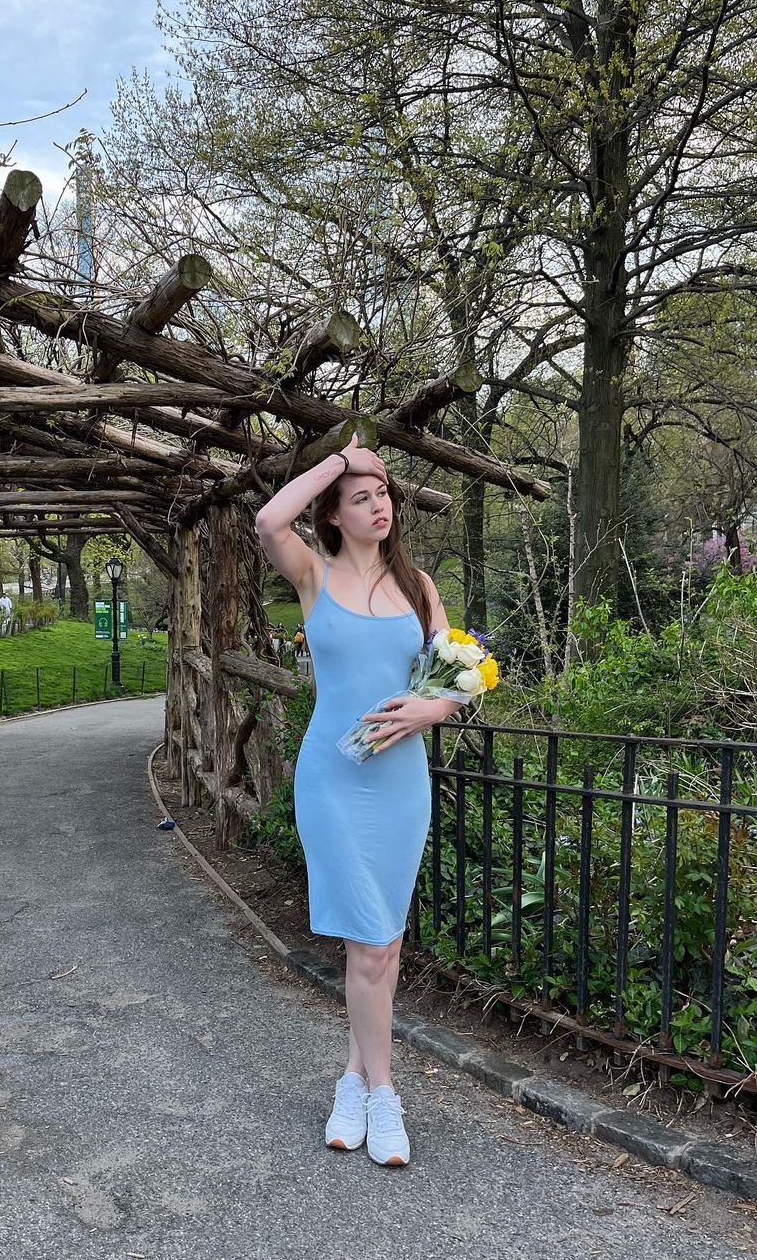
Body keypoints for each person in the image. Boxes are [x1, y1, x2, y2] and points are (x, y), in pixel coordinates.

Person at [254, 433, 463, 1169]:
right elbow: (267, 520)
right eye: (363, 498)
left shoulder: (418, 585)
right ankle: (384, 1093)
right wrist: (343, 460)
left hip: (401, 784)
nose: (381, 506)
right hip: (334, 783)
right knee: (370, 945)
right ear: (334, 514)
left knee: (383, 943)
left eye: (384, 495)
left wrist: (430, 710)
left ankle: (351, 1079)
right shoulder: (312, 573)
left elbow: (454, 675)